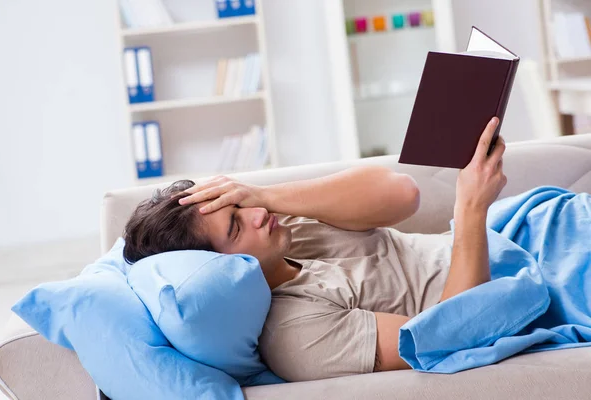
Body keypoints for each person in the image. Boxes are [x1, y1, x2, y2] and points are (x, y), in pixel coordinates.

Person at [123, 117, 507, 382]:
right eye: (236, 226)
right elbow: (456, 333)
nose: (257, 214)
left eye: (240, 204)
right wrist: (471, 207)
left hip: (504, 239)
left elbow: (402, 192)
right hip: (497, 278)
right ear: (217, 269)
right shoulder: (295, 334)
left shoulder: (280, 236)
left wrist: (263, 194)